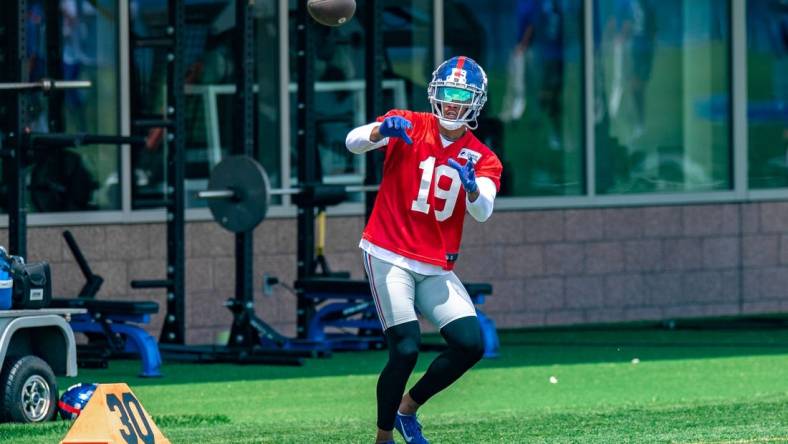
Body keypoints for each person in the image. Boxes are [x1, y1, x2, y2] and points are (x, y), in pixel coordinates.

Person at [345, 56, 503, 444]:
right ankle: (383, 437)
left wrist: (471, 189)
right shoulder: (410, 122)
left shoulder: (483, 156)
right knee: (405, 348)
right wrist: (381, 130)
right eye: (447, 93)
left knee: (471, 344)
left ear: (476, 102)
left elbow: (483, 211)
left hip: (435, 263)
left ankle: (407, 408)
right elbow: (352, 141)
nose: (451, 103)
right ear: (435, 92)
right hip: (388, 251)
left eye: (461, 96)